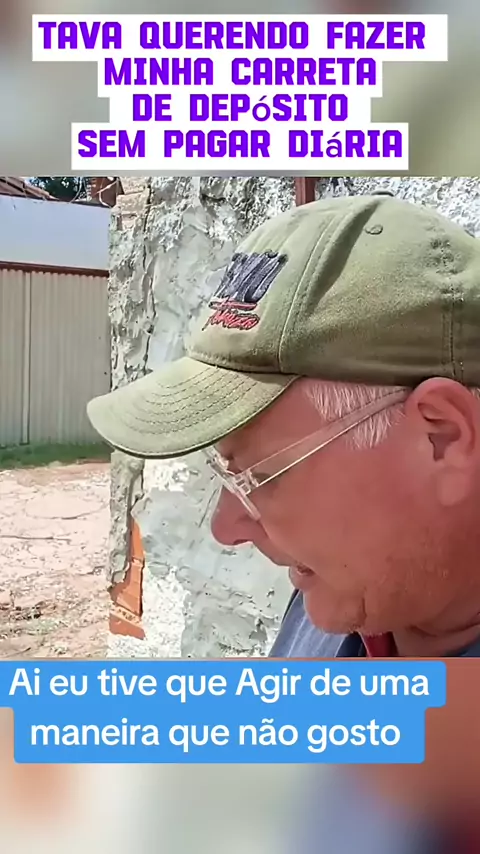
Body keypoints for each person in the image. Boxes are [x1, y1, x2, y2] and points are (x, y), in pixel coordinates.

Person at [88, 191, 480, 850]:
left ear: (441, 437)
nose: (227, 528)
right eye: (224, 474)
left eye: (259, 477)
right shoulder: (347, 599)